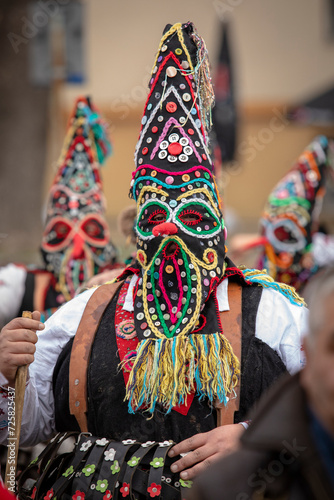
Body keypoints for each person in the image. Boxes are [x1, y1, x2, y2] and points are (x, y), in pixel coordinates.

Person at [0, 22, 307, 489]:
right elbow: (26, 431)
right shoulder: (81, 315)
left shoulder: (276, 315)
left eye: (194, 214)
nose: (169, 227)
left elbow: (324, 410)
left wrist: (255, 439)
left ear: (219, 225)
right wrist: (5, 374)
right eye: (156, 212)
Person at [190, 265, 334, 499]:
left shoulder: (275, 308)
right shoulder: (230, 487)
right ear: (308, 353)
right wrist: (252, 438)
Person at [0, 96, 117, 327]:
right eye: (62, 232)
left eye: (90, 230)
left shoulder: (122, 281)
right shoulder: (19, 282)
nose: (77, 248)